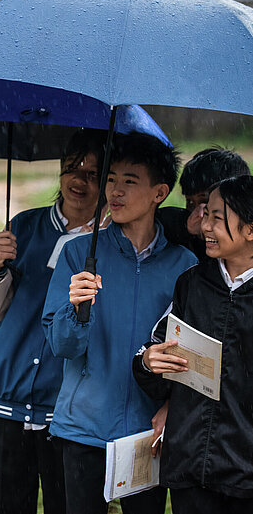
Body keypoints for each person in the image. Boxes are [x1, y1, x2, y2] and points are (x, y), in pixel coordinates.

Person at [42, 132, 198, 514]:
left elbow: (191, 354)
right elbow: (61, 346)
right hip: (83, 429)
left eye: (130, 182)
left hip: (148, 435)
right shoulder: (79, 253)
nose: (115, 191)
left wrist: (173, 407)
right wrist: (77, 307)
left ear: (159, 193)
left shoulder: (184, 266)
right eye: (111, 179)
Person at [0, 129, 107, 514]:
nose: (80, 180)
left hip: (65, 410)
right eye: (72, 169)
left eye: (94, 174)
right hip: (6, 401)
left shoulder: (109, 243)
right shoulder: (25, 227)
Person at [133, 175, 253, 514]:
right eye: (205, 214)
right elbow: (156, 350)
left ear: (250, 230)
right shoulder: (193, 283)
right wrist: (148, 363)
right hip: (190, 466)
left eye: (217, 216)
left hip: (246, 476)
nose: (203, 225)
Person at [158, 147, 249, 260]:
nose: (199, 214)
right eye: (190, 202)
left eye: (206, 203)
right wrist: (186, 227)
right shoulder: (184, 239)